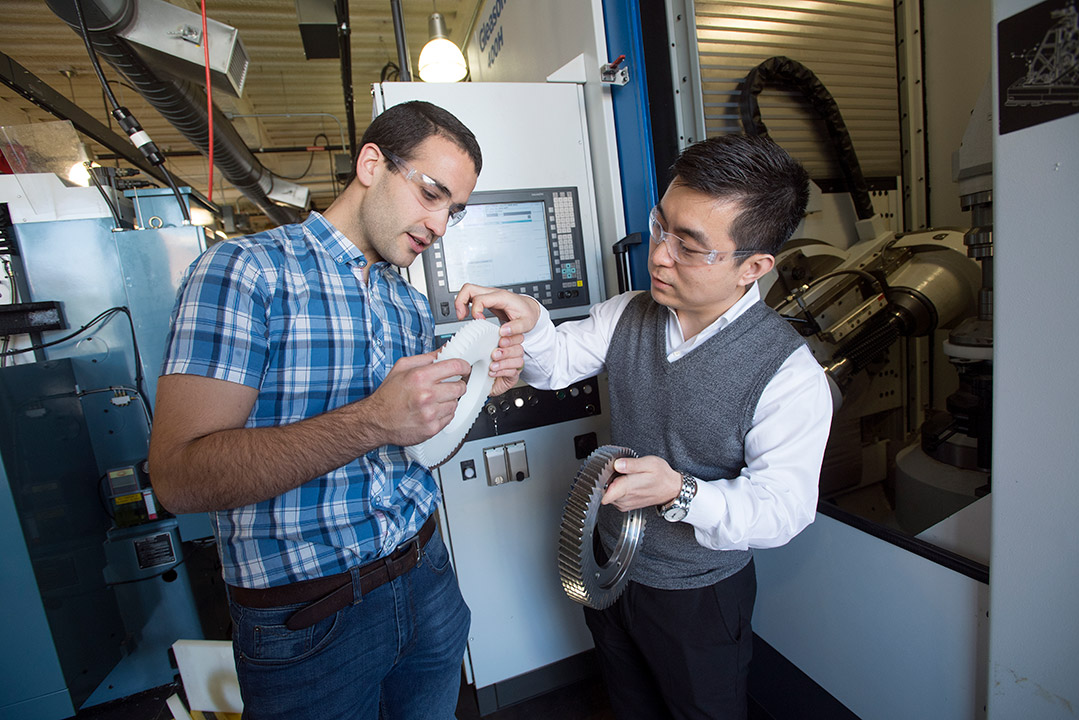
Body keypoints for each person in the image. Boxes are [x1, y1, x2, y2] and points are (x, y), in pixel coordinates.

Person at [149, 101, 524, 720]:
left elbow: (420, 446)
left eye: (452, 211)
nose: (438, 224)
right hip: (309, 617)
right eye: (431, 194)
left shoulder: (404, 303)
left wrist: (476, 389)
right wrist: (372, 420)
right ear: (372, 164)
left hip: (425, 576)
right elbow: (179, 477)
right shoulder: (244, 272)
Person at [455, 134, 833, 719]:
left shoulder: (786, 376)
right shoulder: (630, 311)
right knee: (630, 704)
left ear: (752, 267)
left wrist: (680, 491)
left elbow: (783, 508)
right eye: (662, 227)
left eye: (690, 247)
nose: (659, 254)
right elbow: (557, 361)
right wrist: (532, 323)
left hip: (697, 596)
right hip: (613, 567)